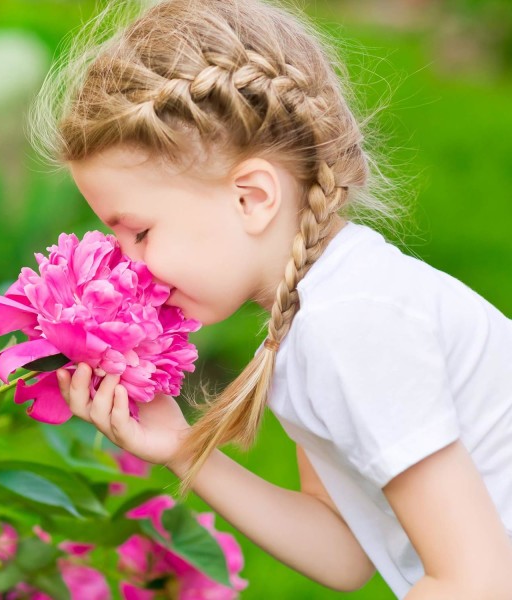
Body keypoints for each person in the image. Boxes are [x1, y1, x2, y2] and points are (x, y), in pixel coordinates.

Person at [28, 0, 512, 597]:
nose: (127, 265)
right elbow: (348, 550)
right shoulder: (312, 318)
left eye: (140, 232)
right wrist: (182, 449)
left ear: (252, 198)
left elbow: (478, 580)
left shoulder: (352, 325)